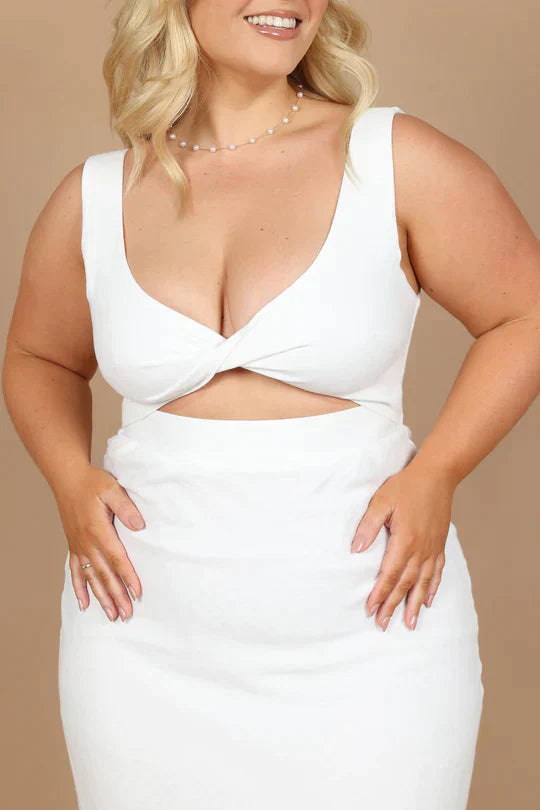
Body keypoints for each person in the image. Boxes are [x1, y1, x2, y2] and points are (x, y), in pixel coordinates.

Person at [3, 1, 540, 808]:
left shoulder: (389, 157)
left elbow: (524, 313)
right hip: (142, 641)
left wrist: (439, 471)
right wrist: (69, 480)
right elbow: (37, 357)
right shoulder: (97, 194)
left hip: (371, 635)